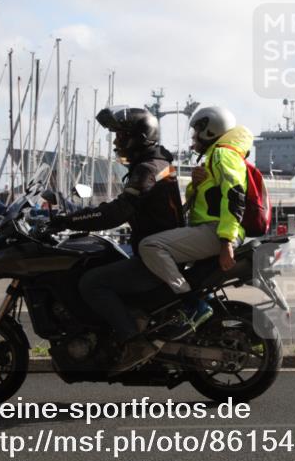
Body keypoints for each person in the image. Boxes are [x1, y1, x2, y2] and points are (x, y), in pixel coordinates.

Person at [47, 106, 183, 372]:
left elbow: (117, 212)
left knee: (92, 283)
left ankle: (133, 342)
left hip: (157, 258)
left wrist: (68, 221)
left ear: (139, 137)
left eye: (121, 136)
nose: (116, 142)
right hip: (155, 251)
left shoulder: (148, 169)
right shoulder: (153, 164)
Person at [138, 106, 251, 329]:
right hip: (212, 229)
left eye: (196, 132)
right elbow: (209, 199)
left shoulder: (222, 154)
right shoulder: (214, 156)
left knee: (150, 246)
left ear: (209, 130)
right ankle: (199, 303)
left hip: (217, 231)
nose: (192, 139)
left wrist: (226, 241)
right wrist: (196, 185)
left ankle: (190, 304)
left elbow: (234, 194)